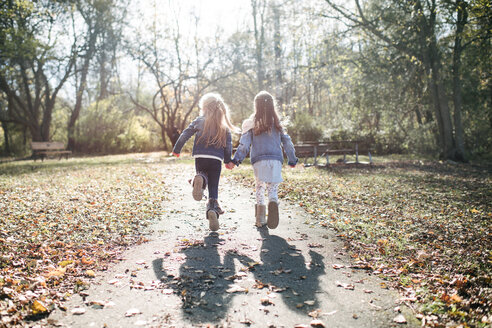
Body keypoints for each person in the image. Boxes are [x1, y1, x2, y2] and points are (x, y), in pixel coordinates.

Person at [227, 91, 297, 229]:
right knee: (273, 188)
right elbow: (288, 143)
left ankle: (260, 219)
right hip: (276, 160)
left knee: (259, 187)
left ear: (256, 105)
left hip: (259, 161)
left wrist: (235, 160)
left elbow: (244, 145)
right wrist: (292, 159)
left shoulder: (251, 123)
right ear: (272, 105)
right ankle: (273, 201)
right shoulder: (277, 123)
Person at [172, 93, 235, 231]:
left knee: (202, 174)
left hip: (201, 156)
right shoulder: (223, 126)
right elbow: (228, 145)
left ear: (204, 108)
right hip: (216, 160)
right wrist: (228, 160)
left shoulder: (199, 121)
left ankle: (199, 178)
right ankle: (212, 209)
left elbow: (185, 134)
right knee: (213, 185)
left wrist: (177, 149)